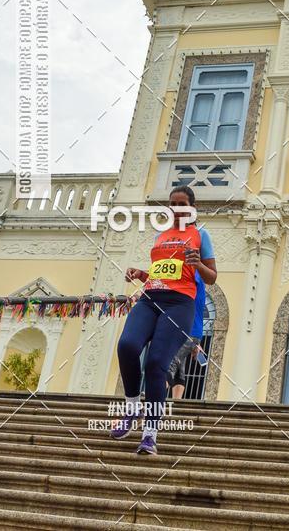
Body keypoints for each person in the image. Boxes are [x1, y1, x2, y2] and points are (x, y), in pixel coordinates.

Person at [111, 185, 216, 454]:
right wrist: (141, 274)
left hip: (180, 303)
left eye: (182, 204)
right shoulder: (161, 236)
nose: (176, 208)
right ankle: (132, 408)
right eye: (172, 203)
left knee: (158, 362)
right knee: (127, 346)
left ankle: (150, 433)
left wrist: (198, 264)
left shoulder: (200, 235)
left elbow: (211, 277)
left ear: (192, 208)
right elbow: (162, 274)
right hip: (151, 298)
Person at [166, 270, 206, 399]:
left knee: (170, 362)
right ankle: (176, 402)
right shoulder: (198, 285)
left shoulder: (194, 275)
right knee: (179, 366)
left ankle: (152, 394)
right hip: (192, 333)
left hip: (187, 331)